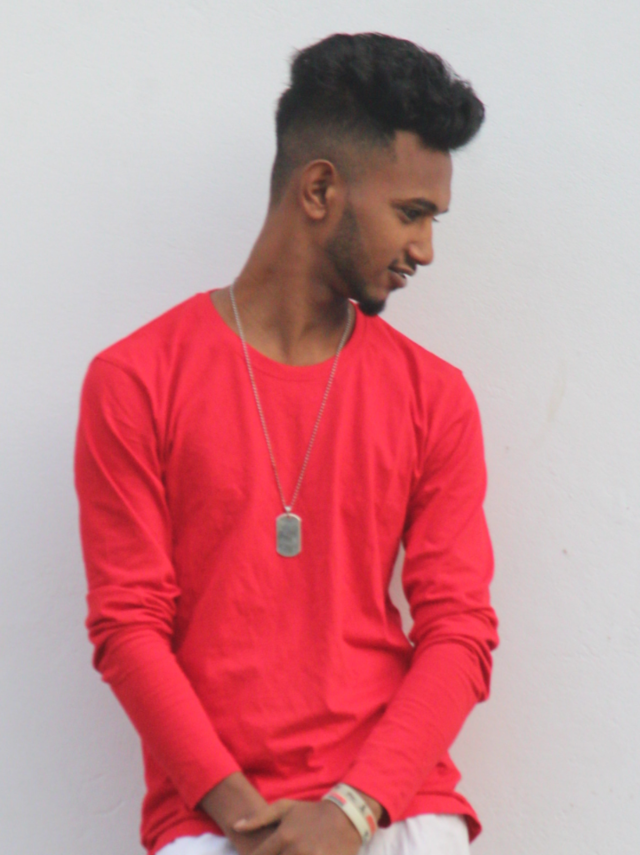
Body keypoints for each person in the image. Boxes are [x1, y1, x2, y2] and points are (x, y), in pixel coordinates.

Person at [75, 32, 499, 855]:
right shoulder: (136, 380)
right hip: (215, 813)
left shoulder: (433, 396)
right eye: (411, 213)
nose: (424, 249)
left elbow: (461, 629)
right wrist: (249, 822)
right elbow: (127, 628)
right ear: (320, 190)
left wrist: (352, 811)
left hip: (394, 808)